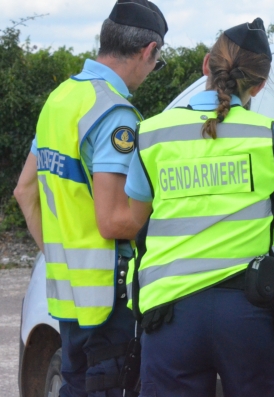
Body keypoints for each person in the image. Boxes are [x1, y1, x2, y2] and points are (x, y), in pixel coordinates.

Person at [124, 18, 274, 397]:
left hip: (170, 315)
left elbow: (134, 222)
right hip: (249, 315)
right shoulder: (272, 137)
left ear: (207, 65)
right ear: (260, 84)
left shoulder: (153, 133)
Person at [13, 1, 168, 395]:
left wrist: (57, 253)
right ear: (149, 52)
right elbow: (114, 221)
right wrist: (160, 194)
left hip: (68, 300)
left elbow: (24, 190)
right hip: (108, 301)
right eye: (157, 63)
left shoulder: (60, 99)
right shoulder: (114, 113)